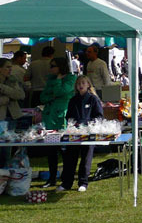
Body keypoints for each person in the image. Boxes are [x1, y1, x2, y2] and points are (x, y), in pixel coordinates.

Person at [59, 75, 104, 192]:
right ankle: (66, 183)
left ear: (88, 85)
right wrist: (74, 124)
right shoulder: (73, 100)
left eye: (83, 83)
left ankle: (83, 183)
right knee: (70, 159)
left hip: (89, 133)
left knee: (86, 158)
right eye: (79, 83)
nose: (81, 85)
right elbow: (68, 116)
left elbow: (99, 116)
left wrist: (87, 124)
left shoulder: (93, 99)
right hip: (74, 133)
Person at [39, 57, 77, 187]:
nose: (51, 69)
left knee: (65, 149)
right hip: (50, 118)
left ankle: (66, 177)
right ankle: (52, 177)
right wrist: (54, 95)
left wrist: (58, 83)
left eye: (53, 66)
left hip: (62, 118)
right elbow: (43, 97)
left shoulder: (71, 79)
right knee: (51, 149)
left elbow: (62, 92)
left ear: (60, 66)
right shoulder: (51, 79)